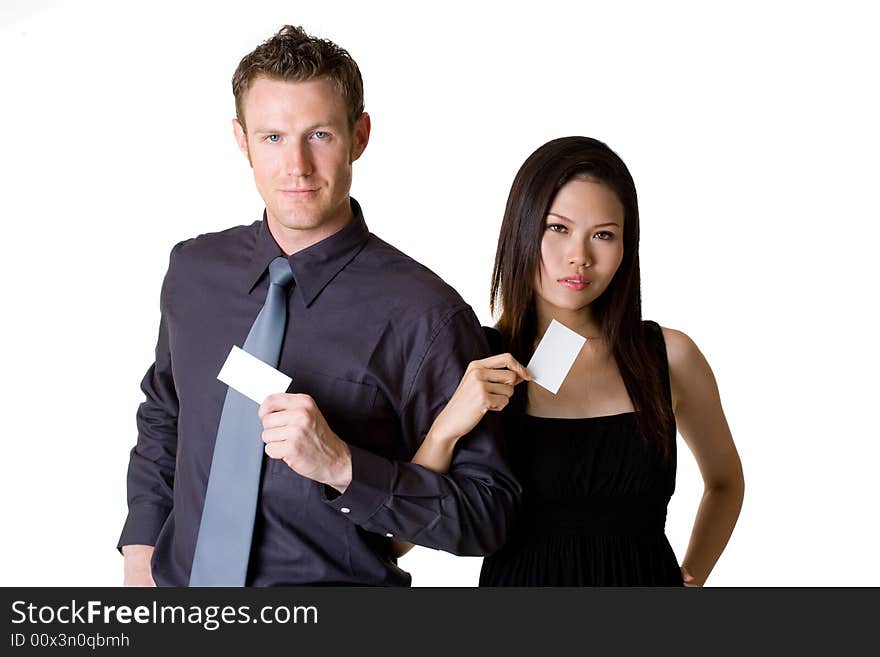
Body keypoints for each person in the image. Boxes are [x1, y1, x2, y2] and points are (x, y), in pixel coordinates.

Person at [118, 25, 520, 587]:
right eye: (273, 137)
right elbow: (165, 412)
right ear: (242, 140)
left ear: (360, 135)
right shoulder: (192, 272)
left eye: (321, 135)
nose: (297, 166)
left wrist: (343, 467)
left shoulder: (425, 314)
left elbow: (487, 513)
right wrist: (140, 551)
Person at [394, 137, 744, 586]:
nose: (580, 256)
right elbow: (397, 541)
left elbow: (725, 482)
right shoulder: (474, 360)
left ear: (625, 247)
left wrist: (692, 578)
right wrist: (446, 430)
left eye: (603, 235)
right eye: (557, 228)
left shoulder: (669, 356)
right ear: (521, 229)